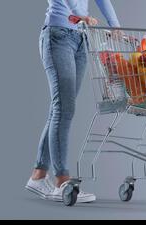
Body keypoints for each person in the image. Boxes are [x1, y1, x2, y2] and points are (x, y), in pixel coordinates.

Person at [25, 0, 121, 203]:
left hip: (80, 38)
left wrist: (115, 25)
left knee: (60, 109)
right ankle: (62, 182)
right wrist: (81, 15)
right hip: (58, 35)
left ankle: (38, 175)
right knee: (63, 109)